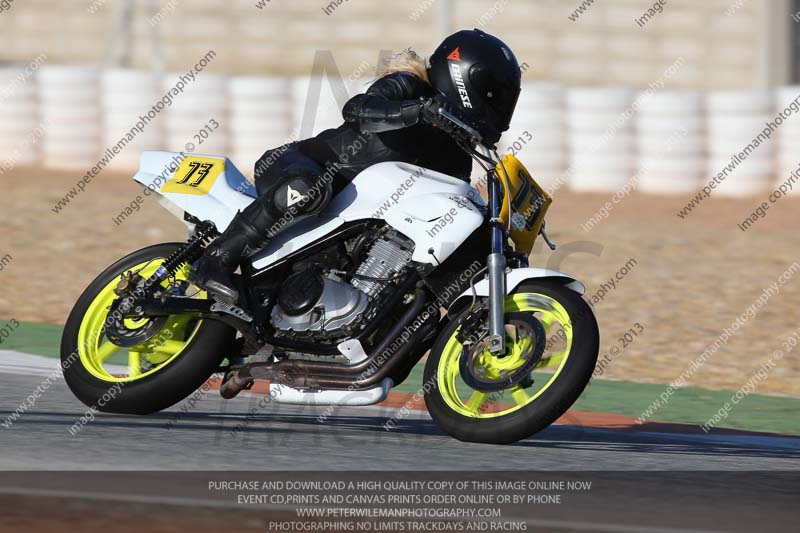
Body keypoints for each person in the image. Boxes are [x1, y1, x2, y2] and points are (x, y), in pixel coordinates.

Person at [190, 28, 522, 304]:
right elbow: (358, 108)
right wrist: (418, 111)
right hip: (305, 167)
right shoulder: (410, 85)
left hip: (351, 223)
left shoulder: (455, 150)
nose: (500, 109)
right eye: (495, 97)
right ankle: (215, 260)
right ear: (466, 77)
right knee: (308, 189)